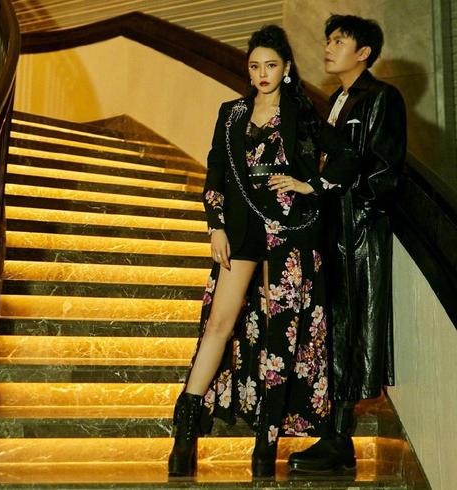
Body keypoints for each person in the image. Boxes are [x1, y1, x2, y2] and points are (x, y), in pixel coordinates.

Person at [167, 25, 357, 479]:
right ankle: (184, 436)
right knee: (219, 323)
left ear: (286, 68)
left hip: (291, 231)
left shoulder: (301, 112)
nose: (262, 74)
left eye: (271, 65)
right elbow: (215, 171)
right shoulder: (231, 112)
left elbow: (347, 155)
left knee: (279, 336)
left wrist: (311, 185)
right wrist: (215, 225)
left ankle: (265, 447)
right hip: (241, 227)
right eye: (254, 66)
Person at [288, 15, 407, 473]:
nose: (328, 47)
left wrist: (340, 198)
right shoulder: (337, 100)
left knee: (348, 329)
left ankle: (339, 439)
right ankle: (332, 435)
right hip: (332, 230)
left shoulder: (381, 98)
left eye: (339, 41)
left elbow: (384, 170)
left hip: (355, 234)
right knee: (332, 329)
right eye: (328, 40)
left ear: (364, 53)